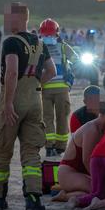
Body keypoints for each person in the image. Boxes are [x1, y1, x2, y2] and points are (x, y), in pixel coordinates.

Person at [0, 2, 56, 210]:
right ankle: (33, 200)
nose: (6, 21)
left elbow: (11, 73)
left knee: (2, 149)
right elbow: (51, 71)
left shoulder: (11, 43)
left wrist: (8, 103)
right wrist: (36, 85)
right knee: (31, 152)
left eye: (8, 17)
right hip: (35, 101)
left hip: (14, 100)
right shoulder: (39, 42)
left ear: (18, 18)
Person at [54, 101, 105, 202]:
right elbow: (87, 160)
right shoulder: (92, 129)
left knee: (102, 191)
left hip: (84, 172)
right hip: (70, 173)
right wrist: (101, 178)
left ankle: (67, 194)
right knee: (99, 192)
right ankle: (64, 196)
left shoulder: (103, 130)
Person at [40, 18, 78, 157]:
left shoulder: (38, 46)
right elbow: (76, 60)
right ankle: (61, 147)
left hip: (44, 88)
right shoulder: (63, 46)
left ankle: (49, 147)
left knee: (47, 118)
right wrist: (70, 72)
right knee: (62, 117)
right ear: (57, 32)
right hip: (62, 88)